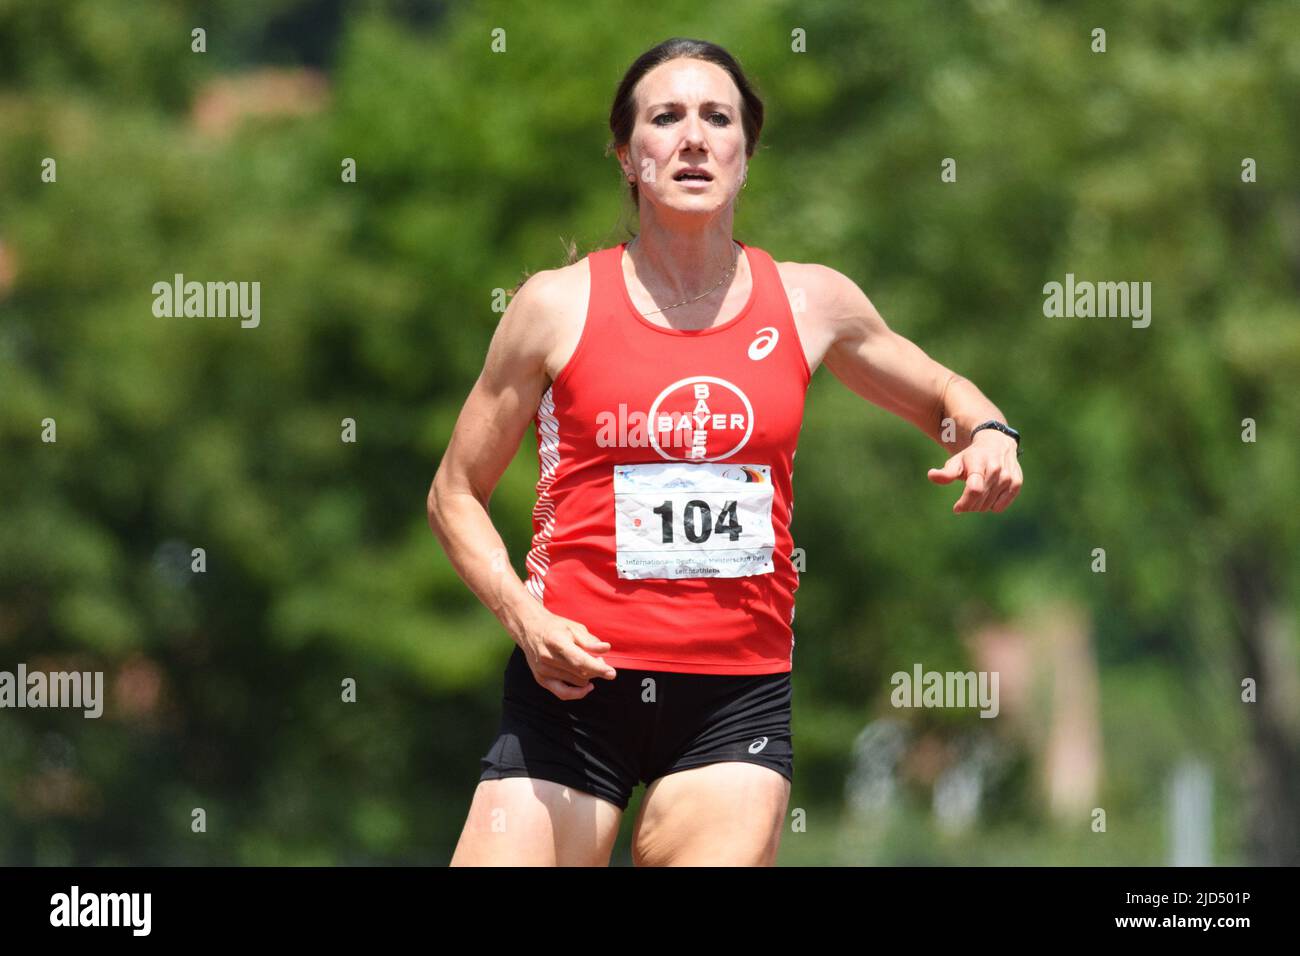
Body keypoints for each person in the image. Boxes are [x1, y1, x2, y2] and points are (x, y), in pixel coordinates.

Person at [427, 37, 1023, 866]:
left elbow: (947, 396)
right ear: (627, 157)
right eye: (665, 118)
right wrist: (522, 616)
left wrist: (990, 435)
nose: (694, 138)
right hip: (571, 686)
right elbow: (454, 492)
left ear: (746, 155)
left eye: (718, 118)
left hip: (732, 697)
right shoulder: (554, 308)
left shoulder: (813, 303)